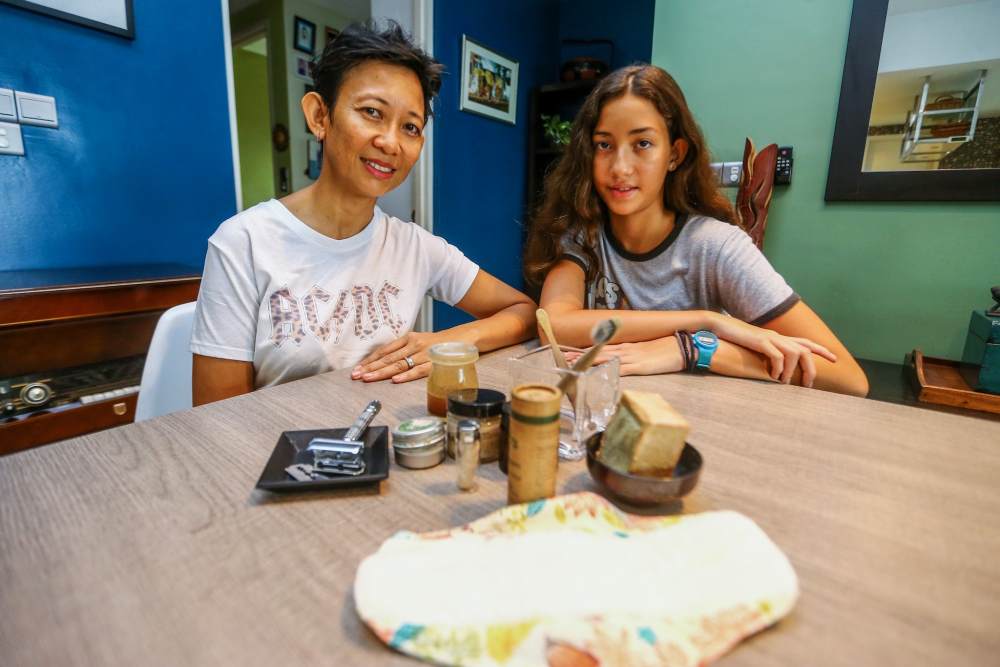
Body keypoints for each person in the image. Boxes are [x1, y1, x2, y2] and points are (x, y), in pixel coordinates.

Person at [191, 22, 535, 406]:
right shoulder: (243, 243)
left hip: (378, 443)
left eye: (410, 126)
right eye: (372, 112)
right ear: (320, 115)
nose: (390, 142)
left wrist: (446, 340)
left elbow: (523, 311)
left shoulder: (414, 246)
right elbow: (216, 415)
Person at [524, 65, 868, 396]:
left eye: (642, 143)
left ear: (674, 154)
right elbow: (552, 326)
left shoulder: (716, 246)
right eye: (604, 145)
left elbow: (848, 378)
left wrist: (693, 348)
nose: (620, 167)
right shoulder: (583, 236)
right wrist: (706, 321)